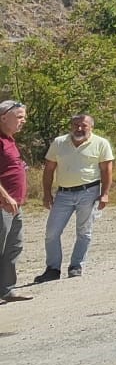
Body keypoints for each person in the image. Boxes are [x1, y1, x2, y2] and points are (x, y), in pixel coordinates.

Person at [38, 111, 114, 281]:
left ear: (91, 127)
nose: (79, 128)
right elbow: (49, 169)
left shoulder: (101, 143)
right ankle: (52, 269)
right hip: (63, 194)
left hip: (89, 192)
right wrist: (46, 193)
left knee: (84, 232)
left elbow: (106, 170)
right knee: (52, 232)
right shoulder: (59, 143)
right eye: (75, 125)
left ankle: (76, 265)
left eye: (83, 125)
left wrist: (105, 194)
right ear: (71, 126)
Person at [0, 99, 30, 302]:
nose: (23, 121)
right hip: (3, 204)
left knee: (14, 246)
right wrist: (5, 196)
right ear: (3, 118)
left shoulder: (9, 139)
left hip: (14, 205)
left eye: (24, 117)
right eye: (19, 117)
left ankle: (7, 289)